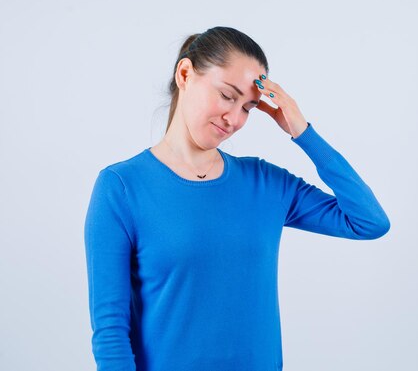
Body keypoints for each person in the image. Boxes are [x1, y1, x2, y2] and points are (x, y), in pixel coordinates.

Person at [84, 26, 391, 371]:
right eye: (227, 96)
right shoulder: (122, 186)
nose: (235, 119)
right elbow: (111, 332)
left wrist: (303, 132)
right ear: (185, 74)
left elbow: (368, 222)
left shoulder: (265, 183)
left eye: (248, 107)